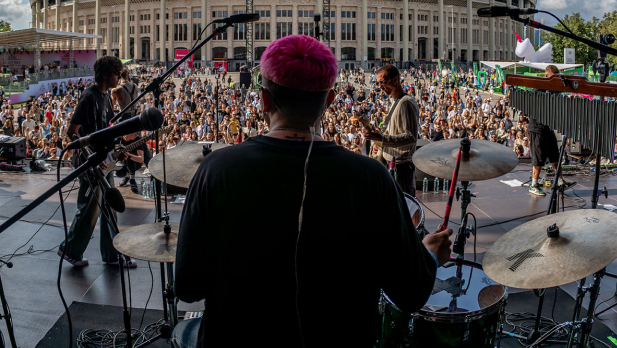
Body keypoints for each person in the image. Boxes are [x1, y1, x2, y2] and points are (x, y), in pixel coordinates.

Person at [175, 35, 451, 347]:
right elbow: (411, 293)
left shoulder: (216, 170)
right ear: (330, 99)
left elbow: (187, 286)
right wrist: (429, 252)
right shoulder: (371, 178)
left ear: (264, 99)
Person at [59, 56, 136, 268]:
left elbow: (107, 129)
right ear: (104, 75)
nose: (120, 77)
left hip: (105, 160)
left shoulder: (106, 97)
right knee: (89, 209)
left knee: (109, 208)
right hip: (90, 162)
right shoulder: (89, 97)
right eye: (116, 73)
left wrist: (117, 148)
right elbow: (71, 133)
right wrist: (90, 154)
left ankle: (112, 255)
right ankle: (70, 250)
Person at [360, 64, 421, 195]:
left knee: (403, 208)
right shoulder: (395, 101)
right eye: (378, 83)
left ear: (395, 80)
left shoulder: (405, 102)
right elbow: (395, 133)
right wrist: (380, 141)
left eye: (383, 82)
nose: (380, 86)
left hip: (402, 167)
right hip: (392, 165)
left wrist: (382, 139)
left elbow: (411, 137)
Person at [527, 65, 562, 197]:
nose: (556, 79)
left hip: (548, 126)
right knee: (539, 157)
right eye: (554, 77)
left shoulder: (556, 88)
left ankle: (560, 180)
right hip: (537, 127)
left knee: (555, 155)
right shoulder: (538, 86)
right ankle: (534, 185)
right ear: (547, 76)